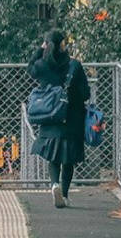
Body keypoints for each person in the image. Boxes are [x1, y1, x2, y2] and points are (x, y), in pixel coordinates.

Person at [27, 29, 90, 208]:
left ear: (47, 44)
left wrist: (40, 50)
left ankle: (54, 184)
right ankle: (65, 194)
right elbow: (85, 93)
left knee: (53, 158)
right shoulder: (74, 66)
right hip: (72, 117)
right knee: (68, 159)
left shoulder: (42, 65)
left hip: (51, 117)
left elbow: (30, 68)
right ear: (62, 45)